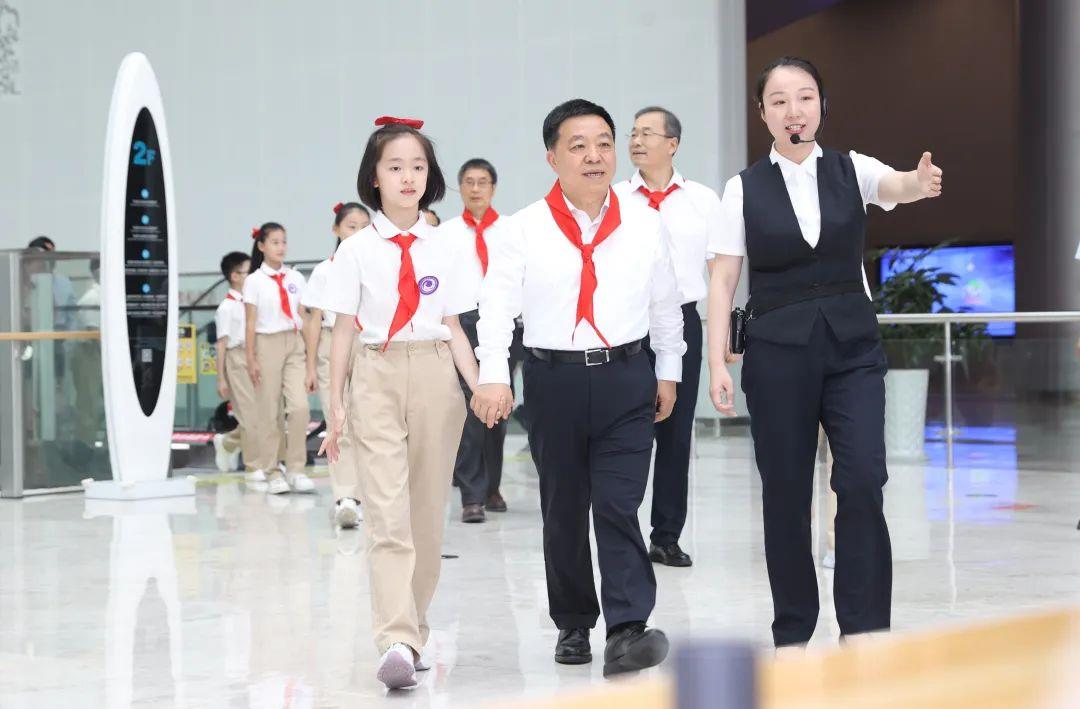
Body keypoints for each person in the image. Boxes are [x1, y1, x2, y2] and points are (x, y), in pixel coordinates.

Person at [705, 56, 943, 649]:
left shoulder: (850, 168)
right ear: (763, 114)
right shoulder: (742, 188)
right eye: (780, 100)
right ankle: (794, 630)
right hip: (777, 355)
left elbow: (895, 186)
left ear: (821, 106)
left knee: (862, 479)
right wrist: (715, 363)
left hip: (852, 349)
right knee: (785, 494)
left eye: (806, 97)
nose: (795, 110)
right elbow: (723, 280)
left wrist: (919, 183)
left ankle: (864, 629)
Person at [471, 99, 685, 677]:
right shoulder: (521, 229)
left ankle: (627, 628)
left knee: (618, 504)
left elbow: (665, 303)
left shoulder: (644, 222)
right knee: (564, 509)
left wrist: (669, 370)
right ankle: (572, 622)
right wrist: (494, 375)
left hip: (626, 376)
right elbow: (496, 308)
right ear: (552, 158)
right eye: (579, 145)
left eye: (604, 143)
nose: (595, 156)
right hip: (554, 380)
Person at [320, 116, 479, 690]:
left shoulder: (451, 244)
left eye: (417, 166)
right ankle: (394, 638)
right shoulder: (356, 250)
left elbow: (455, 326)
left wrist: (481, 385)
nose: (408, 177)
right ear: (375, 177)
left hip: (435, 372)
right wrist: (335, 406)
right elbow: (342, 332)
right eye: (395, 167)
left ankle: (414, 632)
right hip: (376, 372)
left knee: (426, 515)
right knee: (387, 514)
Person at [613, 105, 723, 568]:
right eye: (633, 133)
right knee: (626, 433)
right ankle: (622, 534)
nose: (636, 141)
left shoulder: (703, 200)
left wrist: (723, 336)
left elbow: (721, 274)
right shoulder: (615, 198)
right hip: (628, 325)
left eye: (647, 133)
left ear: (672, 144)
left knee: (676, 434)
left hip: (683, 321)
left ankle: (666, 536)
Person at [440, 158, 511, 523]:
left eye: (483, 182)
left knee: (499, 407)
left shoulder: (511, 230)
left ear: (493, 188)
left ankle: (492, 486)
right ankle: (472, 495)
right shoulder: (447, 234)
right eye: (469, 182)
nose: (476, 188)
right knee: (470, 409)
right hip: (464, 322)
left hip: (505, 323)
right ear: (460, 187)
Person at [301, 202, 371, 529]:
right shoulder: (324, 271)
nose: (357, 233)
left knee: (369, 420)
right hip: (333, 343)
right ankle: (346, 498)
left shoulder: (377, 266)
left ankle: (369, 495)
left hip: (370, 344)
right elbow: (314, 321)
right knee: (337, 420)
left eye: (364, 227)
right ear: (336, 230)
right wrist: (311, 366)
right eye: (351, 226)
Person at [243, 222, 314, 495]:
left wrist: (310, 359)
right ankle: (272, 470)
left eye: (283, 241)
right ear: (262, 246)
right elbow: (250, 322)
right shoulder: (254, 281)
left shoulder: (296, 278)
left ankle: (296, 469)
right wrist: (251, 358)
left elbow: (304, 317)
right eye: (274, 242)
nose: (281, 247)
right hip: (266, 343)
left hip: (294, 342)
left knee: (300, 407)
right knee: (269, 410)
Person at [212, 252, 255, 477]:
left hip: (254, 356)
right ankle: (254, 465)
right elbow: (221, 345)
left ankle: (228, 442)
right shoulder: (226, 308)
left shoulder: (251, 302)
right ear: (235, 276)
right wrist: (221, 378)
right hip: (236, 357)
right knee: (248, 414)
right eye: (248, 272)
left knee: (259, 413)